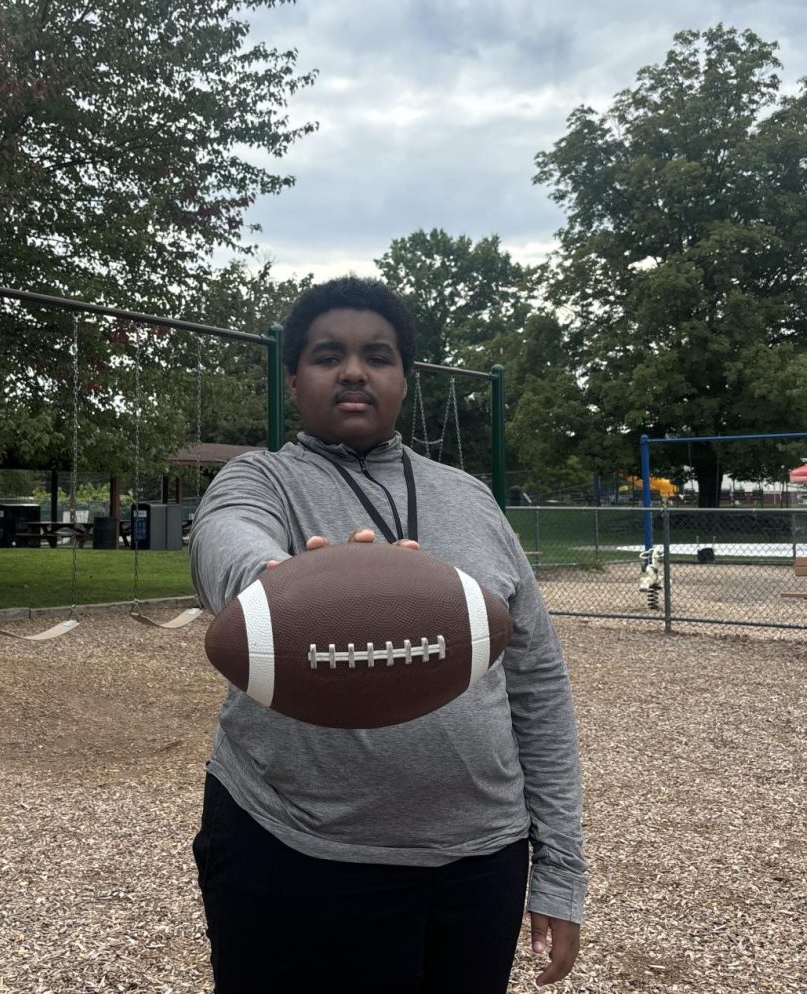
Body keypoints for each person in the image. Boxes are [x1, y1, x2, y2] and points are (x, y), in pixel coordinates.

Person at [190, 275, 588, 994]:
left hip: (481, 861)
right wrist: (292, 585)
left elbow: (537, 683)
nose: (352, 370)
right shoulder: (261, 479)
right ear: (293, 379)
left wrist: (558, 867)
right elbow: (225, 544)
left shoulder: (469, 497)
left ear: (405, 378)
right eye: (326, 355)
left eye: (377, 354)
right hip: (295, 848)